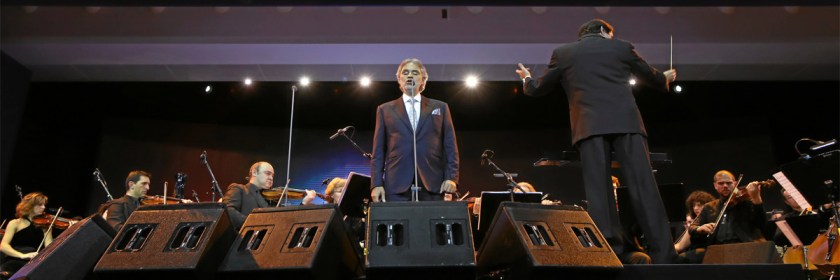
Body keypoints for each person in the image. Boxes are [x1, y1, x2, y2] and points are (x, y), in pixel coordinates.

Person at [515, 19, 677, 264]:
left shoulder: (564, 53)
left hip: (589, 127)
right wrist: (664, 78)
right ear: (604, 31)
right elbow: (651, 76)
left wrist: (527, 79)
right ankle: (664, 255)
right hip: (627, 124)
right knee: (644, 187)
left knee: (599, 193)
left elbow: (538, 88)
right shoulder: (622, 47)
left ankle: (611, 252)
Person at [371, 58, 460, 202]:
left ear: (423, 80)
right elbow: (378, 151)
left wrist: (452, 178)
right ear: (399, 79)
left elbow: (450, 146)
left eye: (414, 73)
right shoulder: (384, 109)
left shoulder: (440, 107)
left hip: (432, 182)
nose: (409, 76)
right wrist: (376, 184)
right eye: (405, 73)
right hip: (396, 184)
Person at [677, 170, 768, 264]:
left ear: (735, 183)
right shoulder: (709, 207)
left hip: (743, 247)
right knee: (681, 259)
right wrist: (699, 229)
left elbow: (762, 224)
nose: (725, 185)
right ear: (715, 185)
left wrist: (757, 199)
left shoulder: (746, 203)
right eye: (721, 183)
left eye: (729, 183)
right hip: (717, 250)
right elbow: (692, 227)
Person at [222, 161, 316, 230]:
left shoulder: (272, 200)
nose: (271, 178)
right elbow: (228, 212)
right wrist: (252, 224)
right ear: (254, 172)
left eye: (272, 175)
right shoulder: (239, 189)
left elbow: (288, 222)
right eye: (267, 174)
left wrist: (304, 203)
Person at [0, 193, 53, 276]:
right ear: (30, 206)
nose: (44, 207)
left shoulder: (45, 225)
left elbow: (50, 248)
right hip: (14, 260)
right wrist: (22, 255)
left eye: (44, 205)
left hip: (32, 262)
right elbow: (3, 246)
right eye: (40, 205)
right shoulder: (15, 223)